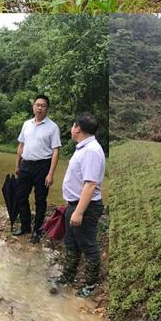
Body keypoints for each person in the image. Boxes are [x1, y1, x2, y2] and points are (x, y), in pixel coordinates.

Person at [56, 113, 106, 297]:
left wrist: (78, 211)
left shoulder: (92, 150)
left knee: (88, 245)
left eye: (72, 125)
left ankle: (91, 286)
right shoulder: (83, 148)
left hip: (86, 207)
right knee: (72, 243)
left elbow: (90, 184)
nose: (71, 128)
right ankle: (67, 277)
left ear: (77, 128)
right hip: (75, 205)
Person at [14, 95, 61, 244]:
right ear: (33, 106)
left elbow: (55, 151)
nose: (40, 107)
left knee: (40, 200)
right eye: (37, 105)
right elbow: (21, 146)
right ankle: (26, 226)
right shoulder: (26, 124)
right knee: (21, 197)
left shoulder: (53, 127)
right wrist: (17, 165)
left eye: (43, 105)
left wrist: (50, 173)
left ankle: (37, 231)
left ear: (47, 108)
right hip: (26, 165)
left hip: (43, 166)